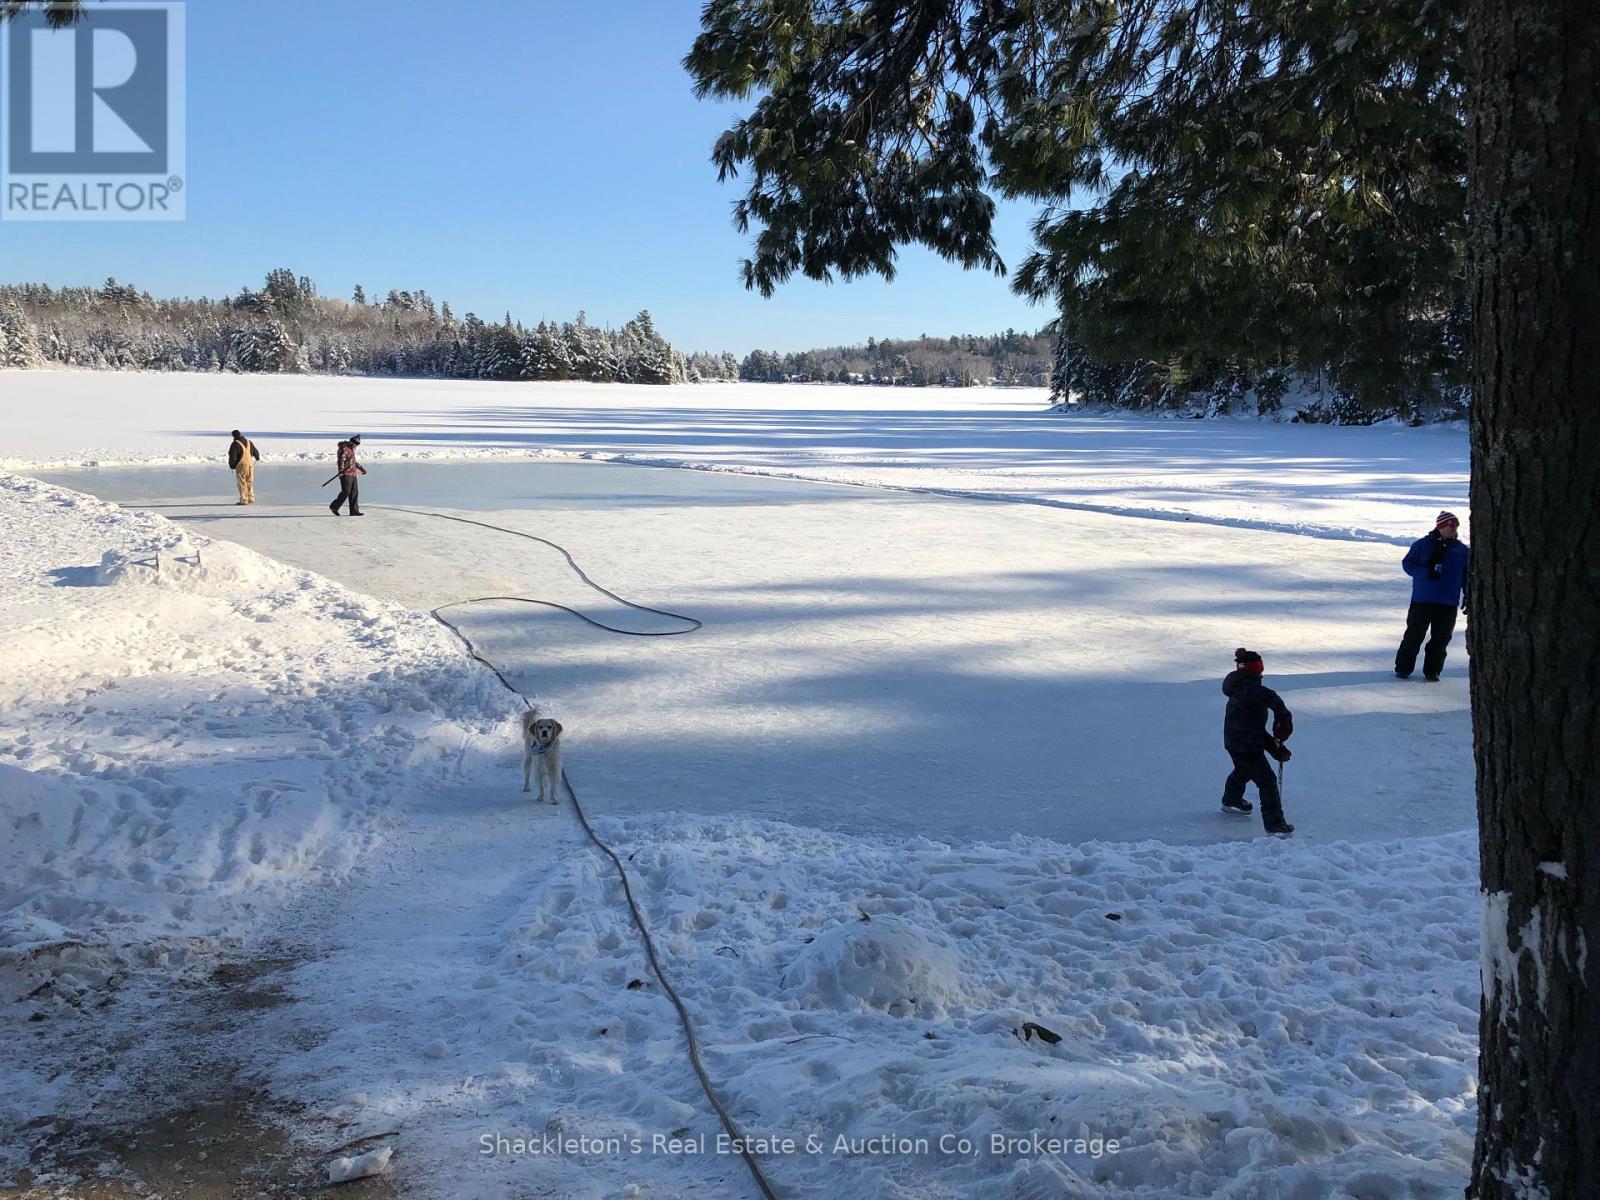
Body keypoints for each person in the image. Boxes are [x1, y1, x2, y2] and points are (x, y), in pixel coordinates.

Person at [1220, 648, 1295, 837]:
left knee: (1243, 770)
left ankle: (1231, 800)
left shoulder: (1240, 687)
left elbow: (1255, 729)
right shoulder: (1251, 690)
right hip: (1245, 745)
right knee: (1267, 781)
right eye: (1259, 668)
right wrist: (1283, 715)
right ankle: (1275, 825)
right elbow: (1271, 698)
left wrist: (1274, 748)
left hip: (1238, 741)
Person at [1396, 510, 1469, 682]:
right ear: (1440, 527)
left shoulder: (1462, 550)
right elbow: (1407, 564)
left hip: (1448, 602)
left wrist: (1468, 594)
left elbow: (1467, 574)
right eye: (1450, 526)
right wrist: (1424, 573)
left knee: (1441, 639)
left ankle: (1433, 671)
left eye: (1456, 526)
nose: (1453, 530)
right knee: (1414, 635)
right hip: (1423, 600)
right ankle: (1403, 668)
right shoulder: (1422, 545)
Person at [329, 434, 367, 516]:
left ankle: (354, 511)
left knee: (354, 492)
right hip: (345, 474)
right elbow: (340, 460)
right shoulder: (344, 448)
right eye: (355, 444)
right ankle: (334, 506)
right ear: (351, 441)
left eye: (357, 444)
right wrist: (342, 470)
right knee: (346, 491)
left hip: (352, 473)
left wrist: (361, 468)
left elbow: (353, 462)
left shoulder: (351, 449)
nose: (356, 446)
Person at [227, 429, 260, 505]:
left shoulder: (235, 444)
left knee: (242, 482)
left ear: (234, 436)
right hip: (250, 465)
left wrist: (232, 465)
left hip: (241, 465)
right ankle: (251, 497)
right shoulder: (249, 442)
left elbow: (233, 456)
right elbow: (256, 452)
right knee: (249, 481)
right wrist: (257, 458)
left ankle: (244, 499)